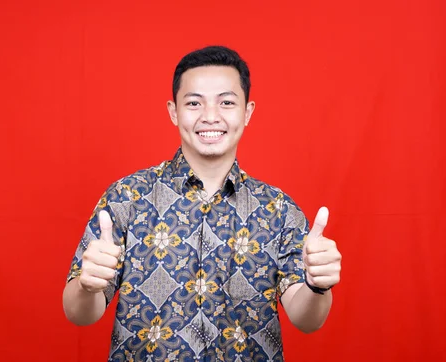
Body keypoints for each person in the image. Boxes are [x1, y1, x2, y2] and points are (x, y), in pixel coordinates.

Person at [62, 45, 342, 361]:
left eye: (226, 102)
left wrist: (318, 286)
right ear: (174, 111)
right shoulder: (128, 197)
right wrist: (87, 286)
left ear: (247, 112)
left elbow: (306, 320)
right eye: (194, 103)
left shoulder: (279, 210)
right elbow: (78, 314)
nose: (210, 116)